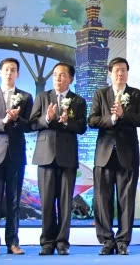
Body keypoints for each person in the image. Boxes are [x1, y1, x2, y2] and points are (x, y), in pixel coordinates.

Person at [89, 57, 140, 256]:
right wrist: (112, 118)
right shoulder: (101, 94)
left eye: (123, 70)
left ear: (127, 73)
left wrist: (123, 115)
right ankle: (106, 240)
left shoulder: (136, 94)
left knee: (126, 200)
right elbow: (92, 120)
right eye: (116, 70)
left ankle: (123, 241)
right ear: (110, 73)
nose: (120, 74)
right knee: (102, 200)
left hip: (128, 154)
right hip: (104, 154)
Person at [29, 62, 87, 256]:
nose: (58, 78)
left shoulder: (78, 101)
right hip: (45, 156)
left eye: (62, 75)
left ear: (70, 79)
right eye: (55, 75)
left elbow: (81, 127)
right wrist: (47, 118)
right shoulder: (43, 97)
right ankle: (47, 242)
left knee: (64, 202)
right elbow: (32, 124)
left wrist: (66, 121)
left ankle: (62, 242)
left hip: (67, 157)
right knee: (46, 202)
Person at [0, 57, 33, 256]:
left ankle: (13, 242)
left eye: (13, 70)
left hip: (16, 155)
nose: (10, 73)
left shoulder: (25, 97)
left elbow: (30, 126)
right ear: (0, 72)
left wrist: (17, 120)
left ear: (18, 74)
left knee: (14, 201)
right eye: (6, 69)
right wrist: (3, 121)